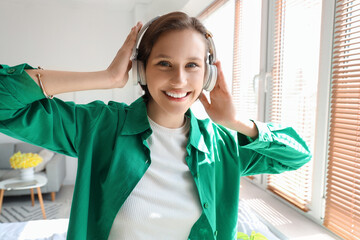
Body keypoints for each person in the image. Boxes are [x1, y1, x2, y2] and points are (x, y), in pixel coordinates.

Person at [0, 11, 311, 240]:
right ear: (140, 71)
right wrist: (106, 78)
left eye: (192, 65)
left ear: (209, 75)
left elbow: (297, 155)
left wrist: (234, 121)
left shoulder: (220, 145)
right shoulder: (101, 127)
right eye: (164, 63)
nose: (179, 79)